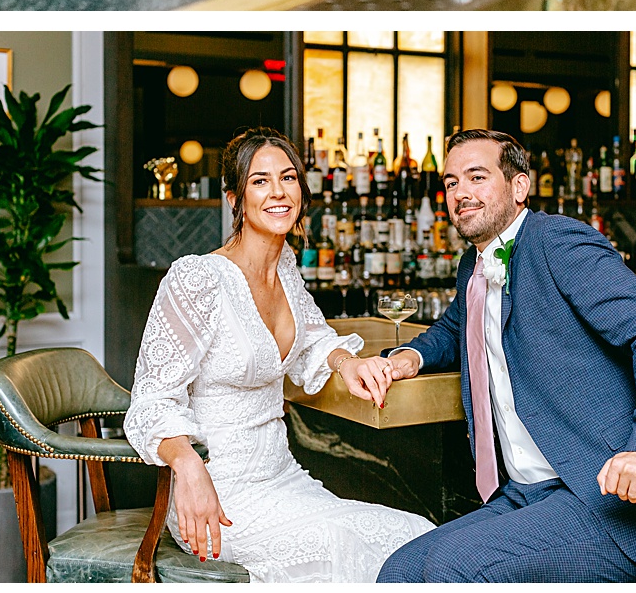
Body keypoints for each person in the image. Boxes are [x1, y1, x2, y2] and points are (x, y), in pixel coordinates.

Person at [373, 129, 636, 581]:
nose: (460, 193)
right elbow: (459, 325)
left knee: (454, 568)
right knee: (401, 571)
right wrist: (412, 355)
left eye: (476, 177)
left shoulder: (557, 242)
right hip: (525, 492)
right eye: (451, 182)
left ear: (519, 186)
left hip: (603, 497)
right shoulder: (473, 264)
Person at [124, 130, 434, 580]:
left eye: (288, 178)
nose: (278, 192)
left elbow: (312, 339)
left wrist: (349, 363)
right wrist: (188, 466)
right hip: (216, 495)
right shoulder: (198, 278)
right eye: (260, 181)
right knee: (343, 545)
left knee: (413, 536)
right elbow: (150, 402)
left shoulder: (285, 268)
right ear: (235, 198)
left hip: (283, 478)